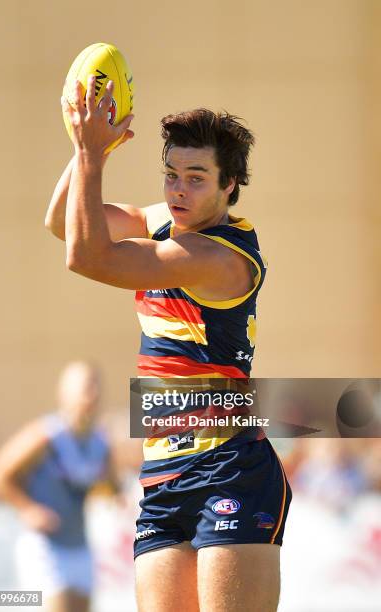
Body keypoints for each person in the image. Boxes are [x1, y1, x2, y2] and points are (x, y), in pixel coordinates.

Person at [45, 77, 292, 612]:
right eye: (171, 175)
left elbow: (88, 257)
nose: (178, 190)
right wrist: (85, 148)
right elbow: (63, 223)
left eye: (197, 179)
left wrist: (92, 152)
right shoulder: (167, 224)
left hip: (231, 466)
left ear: (231, 187)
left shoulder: (215, 257)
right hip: (164, 475)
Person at [0, 362, 111, 612]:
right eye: (85, 387)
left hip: (81, 546)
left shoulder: (99, 441)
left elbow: (107, 486)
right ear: (64, 393)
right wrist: (28, 509)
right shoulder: (46, 434)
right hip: (47, 550)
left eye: (95, 386)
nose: (92, 393)